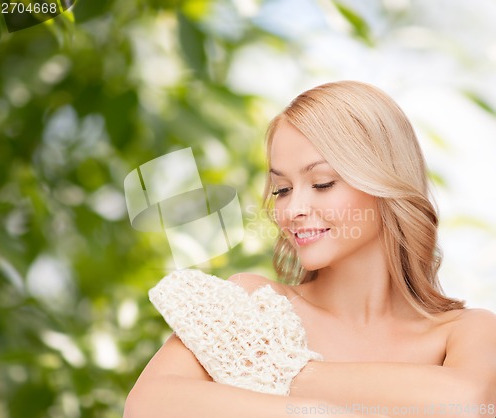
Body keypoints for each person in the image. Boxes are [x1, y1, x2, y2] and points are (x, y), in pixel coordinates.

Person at [123, 81, 496, 418]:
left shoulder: (466, 331)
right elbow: (146, 406)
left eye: (321, 183)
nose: (292, 209)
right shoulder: (252, 304)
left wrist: (282, 371)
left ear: (385, 181)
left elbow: (468, 404)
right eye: (281, 189)